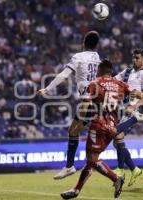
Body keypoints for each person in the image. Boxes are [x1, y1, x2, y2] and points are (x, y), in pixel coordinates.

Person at [60, 60, 143, 199]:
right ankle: (76, 190)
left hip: (98, 124)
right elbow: (140, 95)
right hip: (112, 127)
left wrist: (79, 121)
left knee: (92, 160)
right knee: (92, 160)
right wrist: (132, 101)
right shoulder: (120, 84)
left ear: (100, 70)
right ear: (111, 72)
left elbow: (86, 104)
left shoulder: (95, 83)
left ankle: (116, 178)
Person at [38, 30, 101, 179]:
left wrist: (47, 88)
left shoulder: (78, 57)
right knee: (78, 132)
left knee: (73, 132)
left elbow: (63, 75)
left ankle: (70, 166)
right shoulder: (97, 58)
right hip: (97, 101)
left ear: (83, 43)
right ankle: (79, 165)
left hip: (88, 102)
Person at [113, 48, 143, 186]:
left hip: (133, 112)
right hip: (121, 109)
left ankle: (120, 169)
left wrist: (134, 107)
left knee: (116, 133)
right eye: (133, 57)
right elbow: (114, 81)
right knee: (117, 140)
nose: (134, 60)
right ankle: (134, 169)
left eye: (137, 58)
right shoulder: (127, 71)